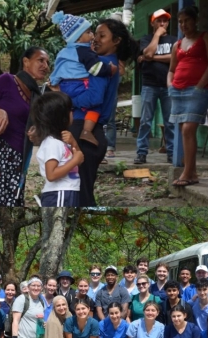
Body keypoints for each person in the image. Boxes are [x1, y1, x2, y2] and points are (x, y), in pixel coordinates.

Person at [68, 18, 139, 206]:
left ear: (116, 41)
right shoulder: (112, 63)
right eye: (95, 34)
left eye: (102, 35)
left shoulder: (102, 66)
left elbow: (93, 99)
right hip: (93, 132)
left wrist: (65, 100)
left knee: (80, 196)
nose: (95, 39)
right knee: (82, 192)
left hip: (84, 131)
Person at [0, 46, 50, 206]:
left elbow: (35, 129)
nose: (45, 66)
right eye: (40, 60)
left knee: (11, 203)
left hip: (18, 159)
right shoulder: (7, 81)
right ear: (26, 62)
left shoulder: (36, 95)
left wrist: (35, 134)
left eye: (47, 62)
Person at [168, 5, 208, 187]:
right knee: (185, 131)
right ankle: (193, 172)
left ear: (195, 20)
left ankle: (187, 173)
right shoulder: (177, 44)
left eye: (187, 20)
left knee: (188, 129)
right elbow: (172, 70)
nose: (183, 24)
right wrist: (170, 84)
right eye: (180, 22)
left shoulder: (206, 37)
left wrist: (199, 86)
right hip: (177, 91)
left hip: (198, 91)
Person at [49, 11, 117, 146]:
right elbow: (95, 69)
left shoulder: (64, 52)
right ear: (78, 38)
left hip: (64, 86)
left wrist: (55, 84)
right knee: (95, 107)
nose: (92, 36)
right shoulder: (84, 52)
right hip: (79, 84)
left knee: (70, 110)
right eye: (89, 32)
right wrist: (110, 69)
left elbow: (57, 68)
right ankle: (87, 131)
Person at [134, 9, 177, 165]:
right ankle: (141, 153)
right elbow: (148, 53)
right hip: (149, 85)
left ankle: (172, 153)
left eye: (165, 21)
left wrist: (150, 58)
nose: (162, 23)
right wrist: (157, 35)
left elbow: (174, 58)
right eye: (159, 21)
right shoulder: (146, 39)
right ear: (152, 23)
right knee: (145, 121)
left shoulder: (173, 40)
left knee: (170, 121)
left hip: (168, 85)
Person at [31, 91, 84, 206]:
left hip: (68, 190)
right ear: (60, 117)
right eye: (69, 110)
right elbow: (52, 175)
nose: (72, 113)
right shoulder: (52, 144)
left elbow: (80, 159)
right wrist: (75, 160)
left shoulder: (63, 140)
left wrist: (74, 143)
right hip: (59, 193)